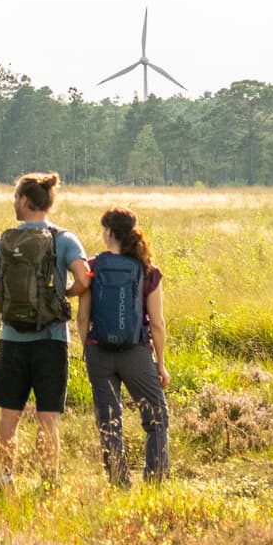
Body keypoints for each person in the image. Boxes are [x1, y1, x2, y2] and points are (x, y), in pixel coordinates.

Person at [0, 170, 87, 486]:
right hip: (52, 340)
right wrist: (65, 295)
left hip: (12, 340)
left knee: (9, 418)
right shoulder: (65, 239)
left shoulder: (3, 241)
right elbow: (85, 278)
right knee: (48, 419)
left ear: (23, 200)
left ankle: (6, 480)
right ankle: (48, 481)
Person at [86, 206, 167, 483]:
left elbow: (83, 315)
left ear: (108, 232)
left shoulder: (92, 266)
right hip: (136, 353)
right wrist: (161, 364)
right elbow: (157, 323)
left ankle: (119, 483)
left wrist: (87, 347)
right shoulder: (148, 270)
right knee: (157, 416)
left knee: (109, 420)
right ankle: (155, 480)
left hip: (99, 352)